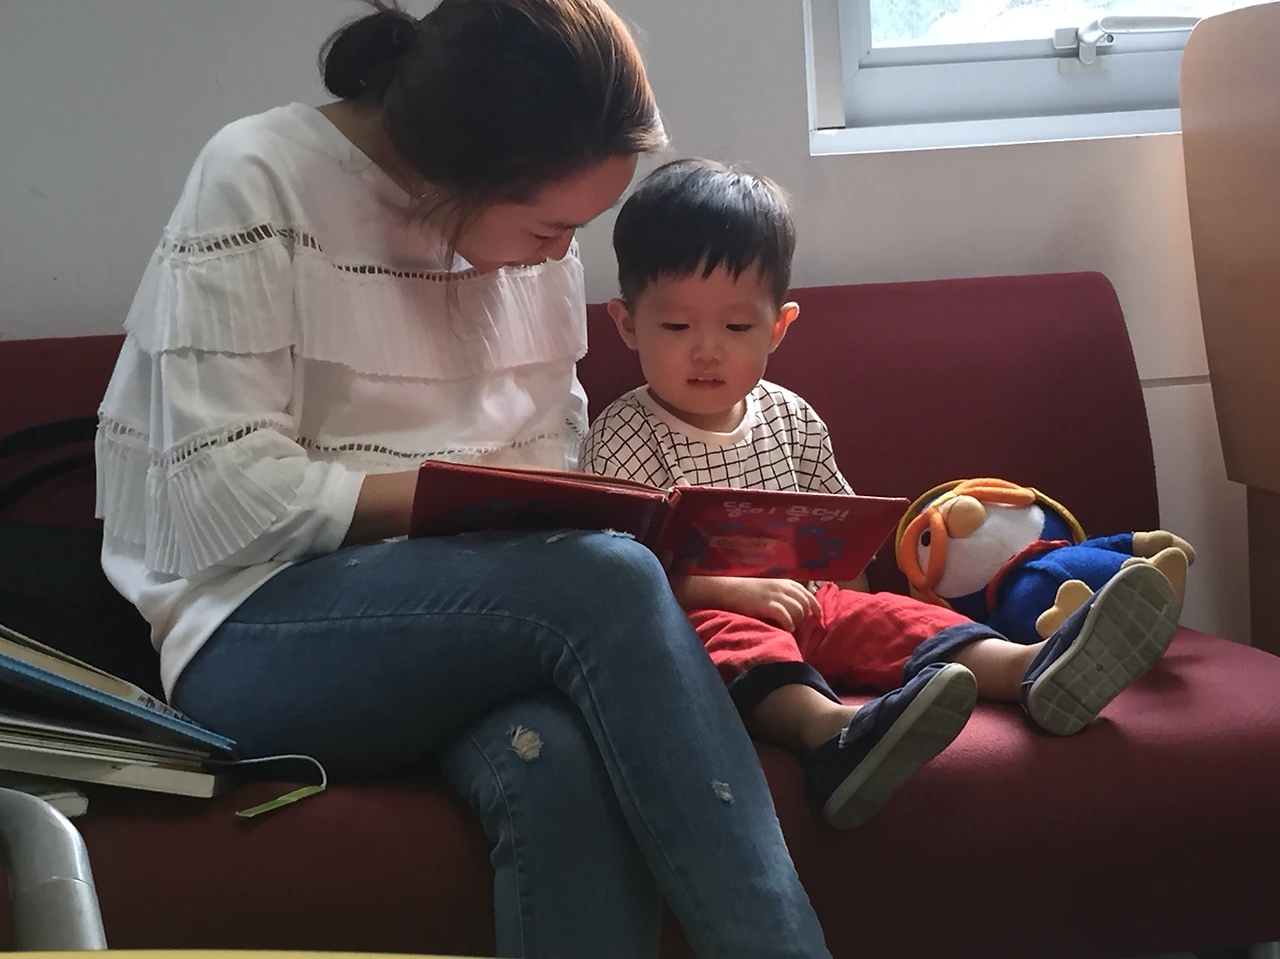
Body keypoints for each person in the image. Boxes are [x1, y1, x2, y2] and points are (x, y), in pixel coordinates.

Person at [94, 4, 833, 958]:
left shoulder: (527, 232)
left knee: (558, 758)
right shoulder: (259, 175)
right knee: (609, 577)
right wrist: (445, 501)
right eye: (550, 227)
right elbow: (217, 494)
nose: (562, 254)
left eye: (580, 228)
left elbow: (548, 447)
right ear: (453, 175)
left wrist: (535, 511)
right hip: (254, 634)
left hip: (480, 624)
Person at [580, 158, 1181, 830]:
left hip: (814, 600)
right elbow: (619, 571)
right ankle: (830, 732)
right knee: (736, 640)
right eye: (677, 328)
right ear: (627, 324)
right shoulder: (625, 433)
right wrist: (729, 590)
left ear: (778, 327)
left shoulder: (791, 417)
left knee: (899, 617)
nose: (708, 351)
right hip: (701, 616)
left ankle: (1032, 669)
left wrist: (859, 601)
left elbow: (842, 535)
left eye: (737, 328)